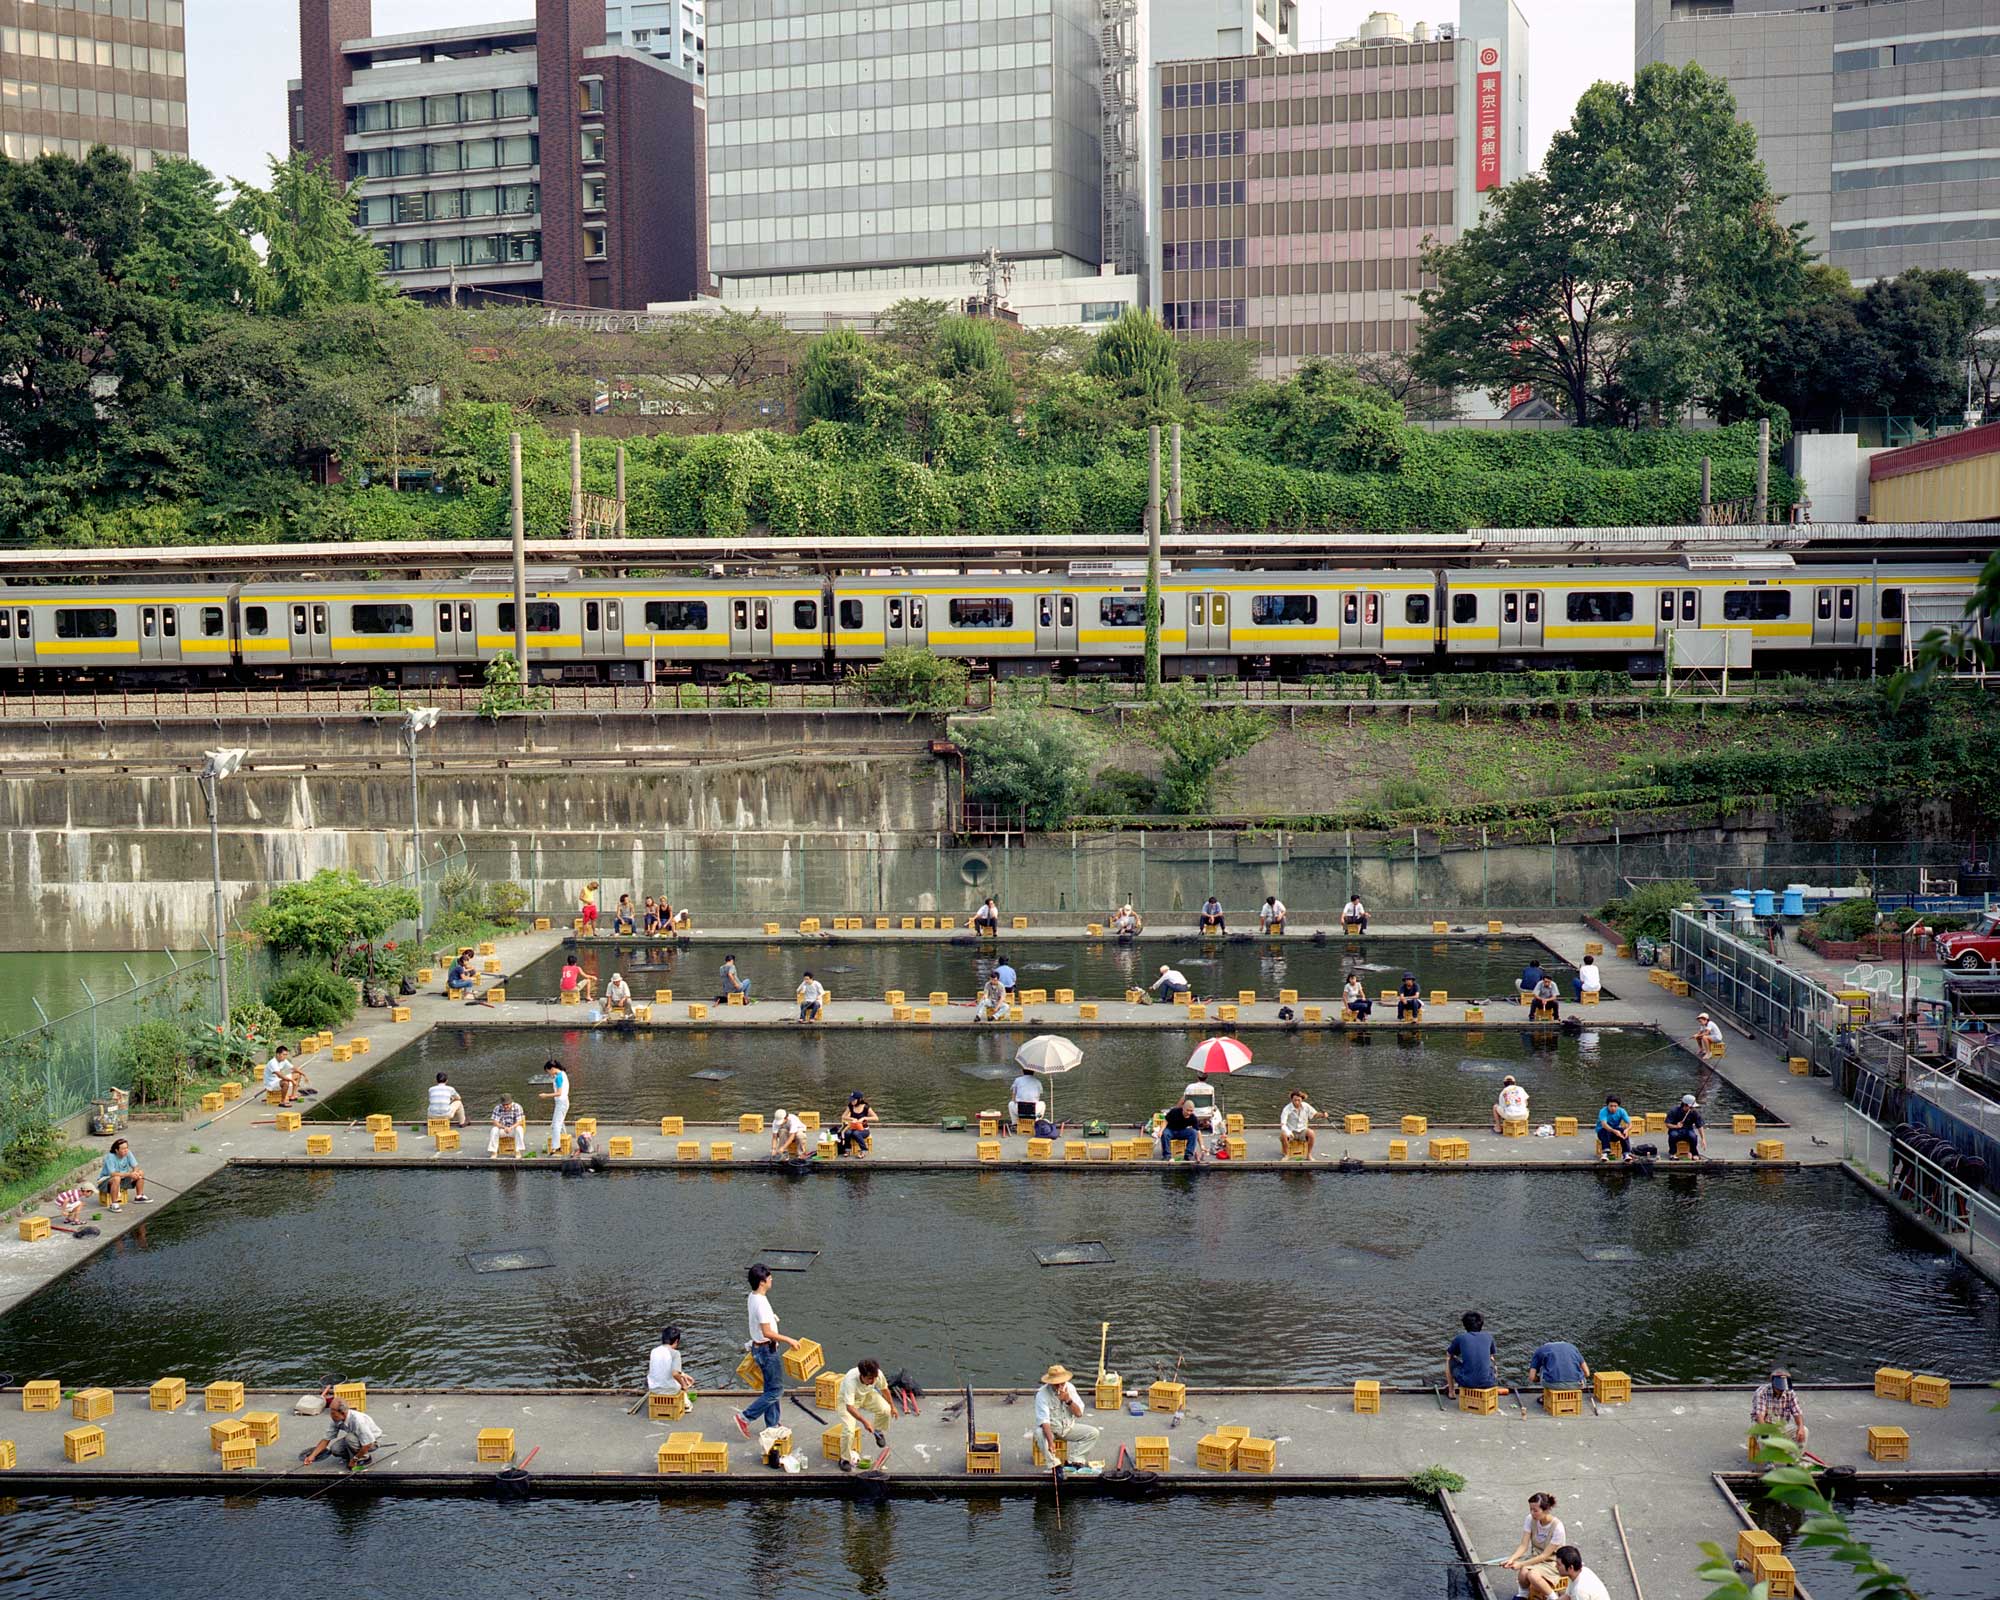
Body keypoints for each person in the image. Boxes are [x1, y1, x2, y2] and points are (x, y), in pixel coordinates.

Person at [734, 1263, 801, 1440]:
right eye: (769, 1277)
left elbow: (760, 1322)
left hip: (760, 1348)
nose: (772, 1279)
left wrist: (772, 1318)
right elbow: (767, 1333)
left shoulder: (753, 1296)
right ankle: (745, 1417)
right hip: (766, 1350)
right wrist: (789, 1340)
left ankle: (773, 1424)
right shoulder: (761, 1303)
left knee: (771, 1387)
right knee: (776, 1391)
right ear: (762, 1282)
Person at [1034, 1363, 1101, 1469]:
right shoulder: (1042, 1394)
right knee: (1038, 1433)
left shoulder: (1070, 1388)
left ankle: (1076, 1460)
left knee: (1093, 1433)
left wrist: (1068, 1400)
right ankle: (1054, 1464)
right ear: (1050, 1383)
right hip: (1052, 1430)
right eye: (1056, 1384)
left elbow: (1079, 1413)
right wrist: (1051, 1442)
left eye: (1062, 1383)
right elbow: (1044, 1421)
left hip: (1068, 1428)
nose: (1060, 1386)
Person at [1501, 1493, 1567, 1598]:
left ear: (1546, 1510)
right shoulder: (1530, 1519)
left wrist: (1521, 1564)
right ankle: (1523, 1595)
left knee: (1532, 1575)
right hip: (1535, 1557)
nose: (1532, 1513)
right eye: (1530, 1509)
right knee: (1523, 1573)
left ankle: (1553, 1597)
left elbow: (1544, 1556)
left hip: (1553, 1562)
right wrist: (1511, 1559)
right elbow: (1523, 1545)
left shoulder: (1557, 1527)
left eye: (1535, 1510)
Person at [836, 1358, 894, 1472]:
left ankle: (878, 1432)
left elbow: (884, 1389)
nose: (873, 1381)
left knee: (885, 1409)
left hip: (867, 1395)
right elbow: (850, 1407)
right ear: (861, 1376)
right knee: (849, 1430)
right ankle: (844, 1459)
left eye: (874, 1378)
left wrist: (892, 1406)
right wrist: (865, 1422)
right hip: (847, 1402)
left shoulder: (877, 1374)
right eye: (870, 1378)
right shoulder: (850, 1380)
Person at [301, 1395, 382, 1469]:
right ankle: (354, 1454)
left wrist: (354, 1460)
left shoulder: (358, 1421)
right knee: (335, 1449)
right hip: (356, 1438)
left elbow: (368, 1444)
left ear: (343, 1413)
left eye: (333, 1414)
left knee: (349, 1438)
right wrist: (312, 1456)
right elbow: (326, 1439)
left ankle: (365, 1458)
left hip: (372, 1442)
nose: (331, 1416)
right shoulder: (336, 1420)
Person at [1444, 1311, 1498, 1400]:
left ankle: (1451, 1392)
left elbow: (1449, 1354)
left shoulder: (1461, 1337)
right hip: (1489, 1382)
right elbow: (1491, 1356)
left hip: (1467, 1383)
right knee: (1491, 1359)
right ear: (1481, 1324)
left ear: (1464, 1325)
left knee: (1449, 1359)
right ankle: (1491, 1387)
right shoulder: (1489, 1337)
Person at [1752, 1368, 1807, 1449]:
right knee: (1764, 1436)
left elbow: (1797, 1412)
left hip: (1781, 1426)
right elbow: (1760, 1415)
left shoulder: (1790, 1392)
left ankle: (1794, 1458)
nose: (1781, 1390)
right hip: (1765, 1424)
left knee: (1804, 1430)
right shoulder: (1762, 1392)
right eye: (1779, 1388)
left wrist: (1801, 1427)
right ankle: (1768, 1459)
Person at [1530, 1547, 1610, 1600]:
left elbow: (1573, 1595)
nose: (1556, 1566)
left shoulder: (1579, 1591)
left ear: (1570, 1568)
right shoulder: (1582, 1571)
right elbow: (1568, 1596)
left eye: (1559, 1564)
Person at [97, 1138, 147, 1210]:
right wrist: (129, 1174)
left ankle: (139, 1196)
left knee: (140, 1172)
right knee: (117, 1178)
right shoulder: (110, 1157)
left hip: (123, 1178)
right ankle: (114, 1204)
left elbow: (135, 1166)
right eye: (123, 1149)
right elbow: (113, 1174)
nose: (126, 1150)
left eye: (126, 1148)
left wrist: (135, 1173)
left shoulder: (128, 1153)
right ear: (116, 1150)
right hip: (106, 1181)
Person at [648, 1325, 696, 1397]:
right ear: (676, 1341)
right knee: (682, 1382)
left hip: (653, 1389)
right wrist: (684, 1385)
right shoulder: (675, 1353)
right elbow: (675, 1374)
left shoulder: (654, 1351)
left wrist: (683, 1375)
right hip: (670, 1390)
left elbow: (663, 1368)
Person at [540, 1058, 570, 1154]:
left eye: (548, 1071)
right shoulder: (562, 1074)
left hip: (561, 1103)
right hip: (564, 1102)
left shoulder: (558, 1077)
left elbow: (559, 1093)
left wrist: (545, 1095)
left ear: (552, 1068)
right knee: (559, 1122)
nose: (549, 1074)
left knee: (556, 1125)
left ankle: (556, 1146)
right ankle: (564, 1139)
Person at [1279, 1089, 1320, 1158]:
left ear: (1302, 1099)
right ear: (1291, 1100)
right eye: (1295, 1100)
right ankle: (1286, 1155)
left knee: (1311, 1133)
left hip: (1302, 1131)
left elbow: (1315, 1114)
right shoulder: (1286, 1109)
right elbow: (1283, 1124)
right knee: (1283, 1134)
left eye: (1299, 1100)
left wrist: (1322, 1115)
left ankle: (1308, 1154)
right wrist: (1288, 1132)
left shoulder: (1306, 1106)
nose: (1297, 1102)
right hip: (1291, 1132)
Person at [1161, 1096, 1202, 1162]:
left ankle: (1188, 1154)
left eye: (1191, 1111)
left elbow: (1198, 1131)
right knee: (1165, 1133)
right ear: (1183, 1108)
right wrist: (1161, 1131)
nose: (1189, 1113)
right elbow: (1166, 1121)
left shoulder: (1193, 1117)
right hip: (1171, 1130)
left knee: (1193, 1132)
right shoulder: (1174, 1111)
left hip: (1182, 1132)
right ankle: (1167, 1155)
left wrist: (1202, 1146)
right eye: (1187, 1110)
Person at [1666, 1093, 1705, 1159]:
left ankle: (1694, 1153)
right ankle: (1672, 1153)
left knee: (1693, 1136)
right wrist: (1676, 1126)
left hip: (1688, 1129)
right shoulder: (1674, 1111)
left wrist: (1703, 1138)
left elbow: (1699, 1126)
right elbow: (1667, 1124)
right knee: (1673, 1135)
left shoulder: (1694, 1113)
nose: (1693, 1108)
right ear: (1685, 1105)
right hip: (1676, 1130)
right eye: (1691, 1107)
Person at [489, 1093, 528, 1157]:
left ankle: (518, 1151)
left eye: (507, 1104)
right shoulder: (497, 1108)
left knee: (519, 1129)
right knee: (494, 1130)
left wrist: (511, 1127)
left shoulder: (517, 1107)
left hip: (513, 1129)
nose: (505, 1106)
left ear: (511, 1102)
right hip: (502, 1129)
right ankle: (494, 1152)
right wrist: (504, 1127)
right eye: (504, 1104)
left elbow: (519, 1121)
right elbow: (495, 1122)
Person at [1594, 1095, 1632, 1162]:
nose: (1613, 1108)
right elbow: (1604, 1125)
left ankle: (1626, 1154)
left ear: (1618, 1106)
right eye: (1611, 1106)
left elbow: (1630, 1124)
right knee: (1605, 1130)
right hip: (1603, 1133)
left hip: (1615, 1133)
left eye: (1615, 1106)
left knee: (1623, 1131)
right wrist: (1614, 1131)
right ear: (1607, 1105)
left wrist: (1627, 1130)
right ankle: (1605, 1153)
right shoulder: (1603, 1111)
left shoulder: (1622, 1111)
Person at [838, 1091, 877, 1156]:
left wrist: (864, 1118)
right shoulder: (850, 1106)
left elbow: (876, 1118)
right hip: (853, 1128)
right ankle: (847, 1149)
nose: (852, 1101)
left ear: (859, 1100)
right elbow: (843, 1116)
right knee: (847, 1133)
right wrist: (852, 1119)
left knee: (856, 1133)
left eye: (853, 1100)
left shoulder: (866, 1107)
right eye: (851, 1100)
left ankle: (864, 1150)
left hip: (863, 1129)